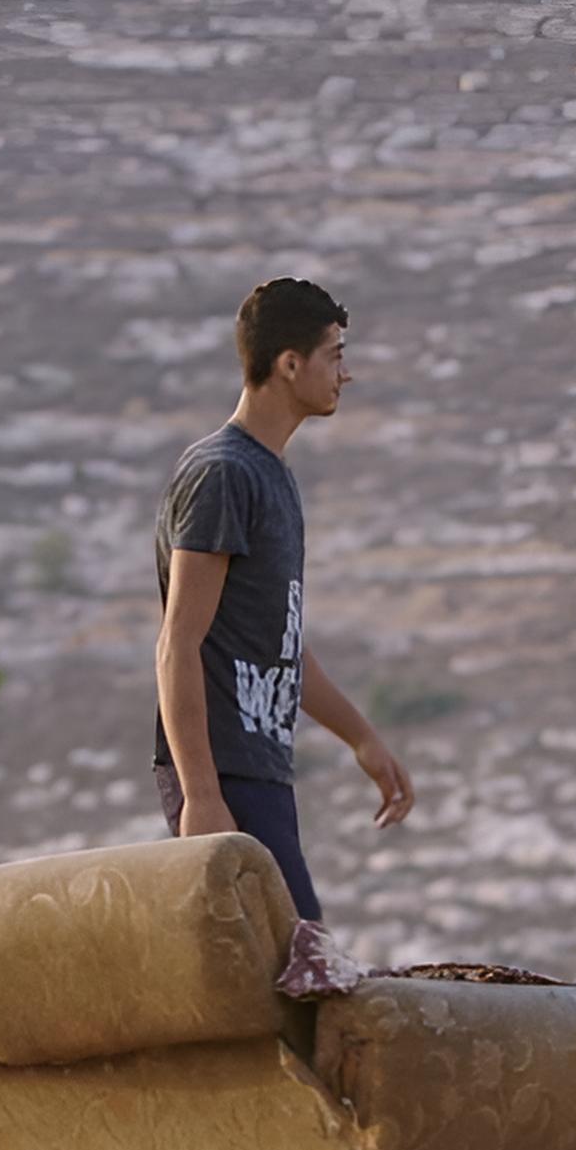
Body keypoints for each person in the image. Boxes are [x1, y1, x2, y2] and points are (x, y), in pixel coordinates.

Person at [152, 275, 413, 923]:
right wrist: (201, 796)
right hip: (223, 773)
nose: (345, 373)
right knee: (302, 954)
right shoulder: (223, 473)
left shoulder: (273, 477)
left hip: (263, 767)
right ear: (290, 364)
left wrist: (363, 740)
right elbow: (178, 643)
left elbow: (283, 644)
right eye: (334, 355)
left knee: (292, 959)